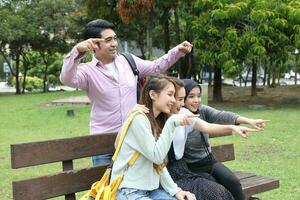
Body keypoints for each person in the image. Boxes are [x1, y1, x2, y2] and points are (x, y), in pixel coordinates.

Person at [59, 19, 192, 165]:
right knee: (109, 187)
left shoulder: (128, 61)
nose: (114, 43)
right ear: (94, 44)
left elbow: (155, 67)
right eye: (108, 40)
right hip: (104, 142)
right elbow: (67, 79)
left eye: (115, 38)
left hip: (133, 136)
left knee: (133, 185)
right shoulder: (87, 71)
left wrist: (177, 52)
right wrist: (77, 51)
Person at [166, 77, 259, 200]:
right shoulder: (177, 116)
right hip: (191, 167)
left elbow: (218, 119)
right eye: (191, 96)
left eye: (198, 96)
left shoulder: (198, 112)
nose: (196, 100)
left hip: (209, 161)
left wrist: (245, 122)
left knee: (232, 181)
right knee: (215, 187)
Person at [111, 75, 196, 200]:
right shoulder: (139, 119)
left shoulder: (154, 122)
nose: (173, 100)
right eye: (170, 94)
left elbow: (159, 164)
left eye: (174, 96)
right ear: (153, 95)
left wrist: (176, 191)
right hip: (129, 191)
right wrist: (171, 123)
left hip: (150, 191)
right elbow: (157, 157)